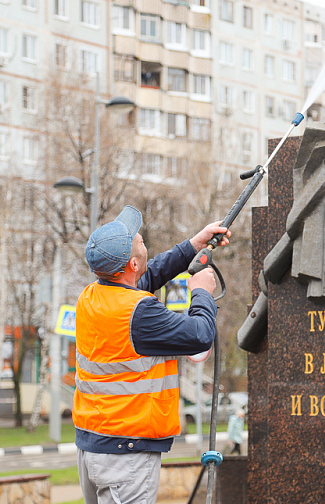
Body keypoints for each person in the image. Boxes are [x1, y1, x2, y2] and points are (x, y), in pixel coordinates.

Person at [73, 205, 230, 504]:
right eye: (138, 239)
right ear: (132, 263)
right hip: (125, 453)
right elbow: (200, 335)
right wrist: (202, 292)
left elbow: (150, 274)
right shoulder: (139, 312)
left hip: (95, 445)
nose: (141, 235)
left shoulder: (93, 296)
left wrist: (193, 245)